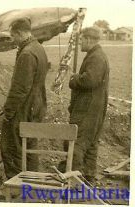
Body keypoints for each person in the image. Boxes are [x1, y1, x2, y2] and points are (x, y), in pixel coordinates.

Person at [1, 17, 48, 179]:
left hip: (25, 107)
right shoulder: (38, 48)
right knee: (30, 146)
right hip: (37, 104)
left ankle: (15, 187)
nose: (13, 40)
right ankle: (31, 182)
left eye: (13, 36)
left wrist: (8, 111)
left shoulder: (27, 54)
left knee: (11, 147)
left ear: (20, 33)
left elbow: (20, 88)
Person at [67, 27, 110, 182]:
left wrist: (74, 79)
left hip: (87, 109)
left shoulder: (96, 57)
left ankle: (76, 183)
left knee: (77, 144)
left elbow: (90, 80)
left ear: (89, 39)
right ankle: (88, 179)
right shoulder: (96, 55)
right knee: (91, 144)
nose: (80, 43)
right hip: (95, 108)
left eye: (82, 39)